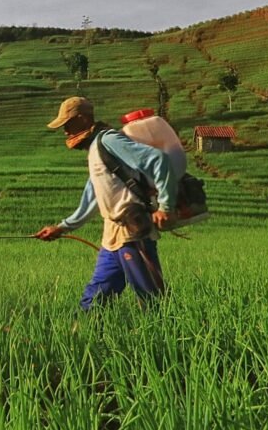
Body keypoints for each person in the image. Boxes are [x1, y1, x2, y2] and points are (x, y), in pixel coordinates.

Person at [35, 96, 175, 310]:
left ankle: (164, 338)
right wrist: (62, 227)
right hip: (112, 237)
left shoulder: (108, 140)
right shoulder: (94, 150)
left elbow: (159, 159)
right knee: (95, 299)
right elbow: (92, 198)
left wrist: (165, 206)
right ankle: (83, 337)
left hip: (133, 231)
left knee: (151, 300)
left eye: (67, 124)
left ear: (82, 119)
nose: (65, 131)